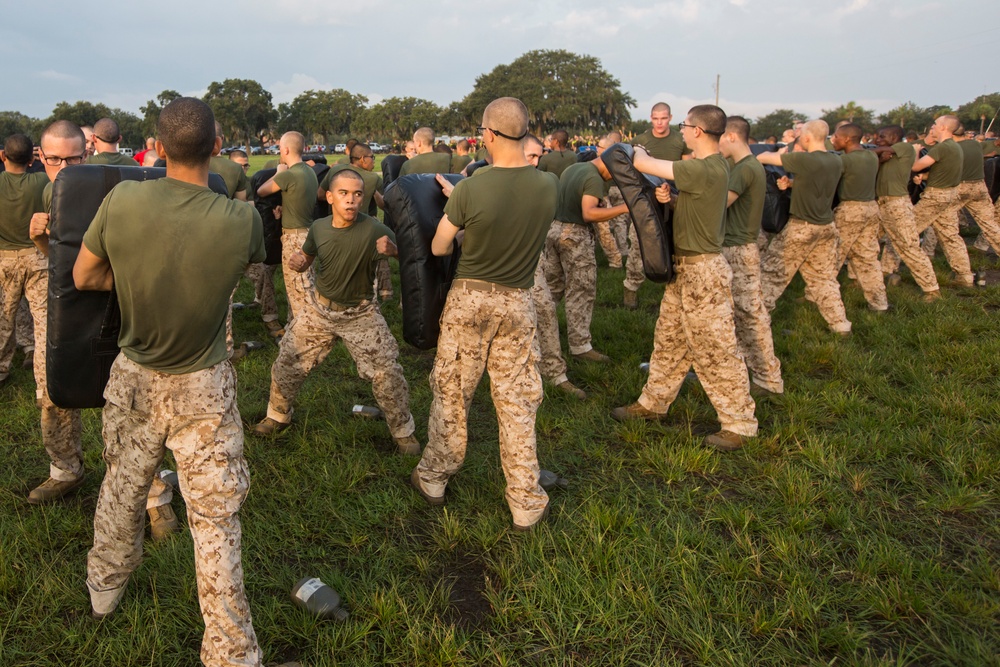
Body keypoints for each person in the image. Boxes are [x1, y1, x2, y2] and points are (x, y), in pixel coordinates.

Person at [73, 97, 263, 665]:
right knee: (215, 519)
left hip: (134, 375)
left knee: (123, 489)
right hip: (203, 385)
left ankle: (104, 590)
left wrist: (132, 273)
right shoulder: (240, 219)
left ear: (155, 147)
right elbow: (245, 267)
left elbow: (85, 275)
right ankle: (230, 651)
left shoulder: (124, 197)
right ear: (217, 145)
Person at [410, 97, 556, 531]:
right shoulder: (548, 185)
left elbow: (439, 247)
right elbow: (513, 211)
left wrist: (462, 211)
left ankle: (435, 477)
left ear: (488, 135)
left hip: (471, 299)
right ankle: (525, 501)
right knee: (517, 402)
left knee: (454, 392)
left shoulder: (472, 188)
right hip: (518, 301)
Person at [613, 105, 757, 451]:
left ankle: (740, 423)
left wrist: (637, 149)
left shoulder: (703, 167)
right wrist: (673, 199)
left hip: (702, 273)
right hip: (687, 270)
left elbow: (643, 164)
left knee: (717, 348)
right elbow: (699, 208)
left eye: (684, 125)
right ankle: (653, 403)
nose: (681, 130)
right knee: (670, 340)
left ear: (697, 131)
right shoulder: (711, 168)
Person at [253, 169, 419, 454]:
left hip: (361, 314)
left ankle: (403, 431)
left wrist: (394, 251)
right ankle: (278, 415)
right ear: (330, 197)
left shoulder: (375, 229)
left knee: (387, 372)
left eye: (357, 194)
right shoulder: (319, 228)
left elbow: (414, 257)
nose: (352, 200)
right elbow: (308, 256)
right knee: (287, 361)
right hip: (320, 311)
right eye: (344, 193)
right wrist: (300, 262)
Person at [756, 120, 851, 334]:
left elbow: (762, 158)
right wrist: (791, 184)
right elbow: (815, 183)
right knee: (824, 278)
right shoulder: (836, 161)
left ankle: (755, 322)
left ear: (806, 138)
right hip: (826, 226)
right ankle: (840, 324)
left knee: (772, 274)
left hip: (801, 226)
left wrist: (780, 151)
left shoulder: (803, 160)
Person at [717, 116, 784, 395]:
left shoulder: (744, 169)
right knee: (741, 314)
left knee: (750, 314)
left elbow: (718, 205)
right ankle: (749, 370)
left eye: (719, 137)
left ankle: (768, 378)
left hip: (738, 249)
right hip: (738, 245)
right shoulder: (744, 166)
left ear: (731, 136)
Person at [544, 152, 628, 363]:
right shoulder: (594, 178)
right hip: (575, 236)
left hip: (554, 230)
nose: (613, 178)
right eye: (616, 173)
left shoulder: (573, 168)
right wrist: (626, 207)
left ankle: (541, 335)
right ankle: (580, 346)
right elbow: (589, 213)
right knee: (581, 290)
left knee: (551, 290)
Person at [623, 102, 692, 307]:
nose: (659, 122)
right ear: (651, 118)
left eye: (663, 118)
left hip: (674, 198)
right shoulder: (640, 140)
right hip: (647, 200)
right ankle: (631, 288)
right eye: (655, 118)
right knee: (639, 244)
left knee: (676, 242)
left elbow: (687, 168)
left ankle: (674, 291)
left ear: (670, 118)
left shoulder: (680, 140)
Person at [871, 125, 941, 300]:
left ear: (895, 137)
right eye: (877, 137)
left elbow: (878, 151)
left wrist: (876, 152)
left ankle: (931, 289)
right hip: (880, 203)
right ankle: (879, 275)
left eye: (882, 136)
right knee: (868, 242)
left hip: (897, 204)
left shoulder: (904, 148)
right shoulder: (886, 155)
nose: (877, 140)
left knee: (908, 246)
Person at [257, 131, 320, 321]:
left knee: (296, 288)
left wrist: (278, 172)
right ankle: (300, 326)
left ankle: (301, 331)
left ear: (285, 149)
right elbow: (300, 196)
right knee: (305, 284)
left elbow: (262, 191)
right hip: (308, 232)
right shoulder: (309, 171)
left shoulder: (289, 174)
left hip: (294, 237)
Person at [829, 123, 888, 312]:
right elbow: (879, 151)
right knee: (868, 257)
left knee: (832, 255)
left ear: (847, 139)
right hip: (871, 209)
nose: (833, 140)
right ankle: (879, 303)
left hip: (850, 210)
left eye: (836, 137)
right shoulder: (870, 156)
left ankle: (818, 297)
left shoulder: (844, 161)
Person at [910, 115, 972, 287]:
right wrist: (926, 177)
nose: (933, 128)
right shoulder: (956, 147)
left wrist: (915, 151)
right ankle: (965, 276)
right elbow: (945, 171)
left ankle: (889, 270)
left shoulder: (941, 148)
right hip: (950, 195)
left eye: (935, 125)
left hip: (935, 197)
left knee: (906, 232)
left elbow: (915, 166)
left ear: (944, 128)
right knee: (950, 237)